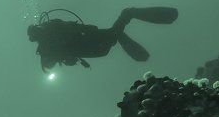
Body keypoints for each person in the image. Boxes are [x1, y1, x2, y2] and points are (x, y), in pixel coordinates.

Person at [27, 7, 178, 72]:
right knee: (127, 14)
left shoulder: (48, 43)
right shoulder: (50, 38)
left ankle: (123, 39)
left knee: (116, 32)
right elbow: (50, 65)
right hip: (96, 42)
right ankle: (167, 16)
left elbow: (50, 66)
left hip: (97, 46)